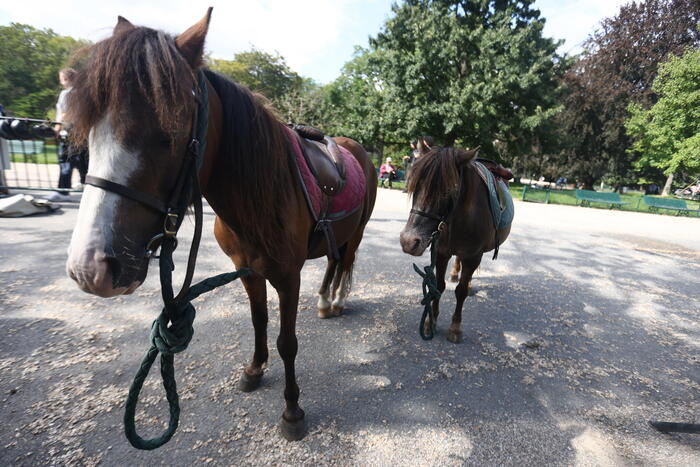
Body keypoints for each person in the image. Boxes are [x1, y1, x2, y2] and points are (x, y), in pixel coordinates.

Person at [49, 68, 88, 202]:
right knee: (82, 162)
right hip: (82, 134)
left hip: (69, 133)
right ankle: (87, 188)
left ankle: (63, 191)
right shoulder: (84, 94)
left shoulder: (66, 94)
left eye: (61, 79)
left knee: (65, 161)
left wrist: (57, 129)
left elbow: (64, 114)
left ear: (66, 79)